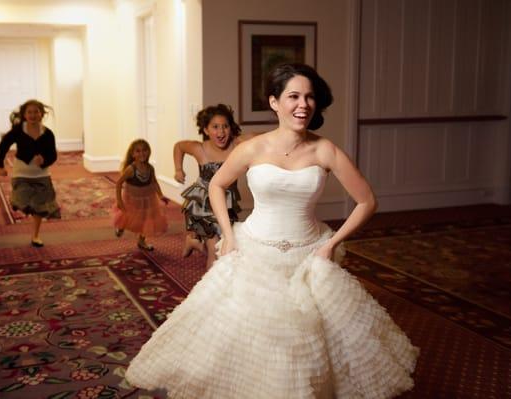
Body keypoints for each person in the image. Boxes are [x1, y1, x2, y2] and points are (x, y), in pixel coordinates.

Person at [125, 63, 418, 398]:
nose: (303, 104)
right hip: (255, 251)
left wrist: (331, 244)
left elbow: (367, 201)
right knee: (250, 338)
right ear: (275, 102)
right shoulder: (252, 147)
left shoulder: (325, 150)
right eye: (293, 96)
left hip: (309, 255)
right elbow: (217, 186)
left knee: (310, 345)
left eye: (309, 97)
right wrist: (229, 236)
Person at [173, 104, 248, 269]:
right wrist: (179, 169)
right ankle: (210, 291)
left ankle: (194, 242)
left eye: (225, 126)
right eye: (215, 127)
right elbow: (179, 146)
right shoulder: (200, 149)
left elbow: (264, 138)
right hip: (203, 205)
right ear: (206, 130)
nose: (221, 132)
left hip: (226, 203)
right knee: (215, 251)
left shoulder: (236, 145)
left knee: (222, 245)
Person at [0, 99, 60, 247]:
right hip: (21, 174)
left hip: (41, 175)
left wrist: (44, 160)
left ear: (42, 114)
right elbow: (4, 145)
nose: (33, 115)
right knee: (21, 201)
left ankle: (35, 236)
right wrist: (0, 165)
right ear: (24, 115)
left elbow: (53, 155)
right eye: (29, 112)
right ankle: (20, 201)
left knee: (40, 207)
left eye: (36, 112)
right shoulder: (18, 130)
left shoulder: (48, 133)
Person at [113, 139, 169, 251]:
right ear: (133, 154)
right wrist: (119, 201)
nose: (142, 153)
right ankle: (121, 226)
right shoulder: (131, 169)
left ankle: (141, 241)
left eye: (144, 150)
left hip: (148, 198)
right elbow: (119, 184)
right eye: (138, 151)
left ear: (149, 152)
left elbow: (154, 182)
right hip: (132, 198)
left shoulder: (150, 168)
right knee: (128, 216)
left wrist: (160, 195)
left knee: (147, 220)